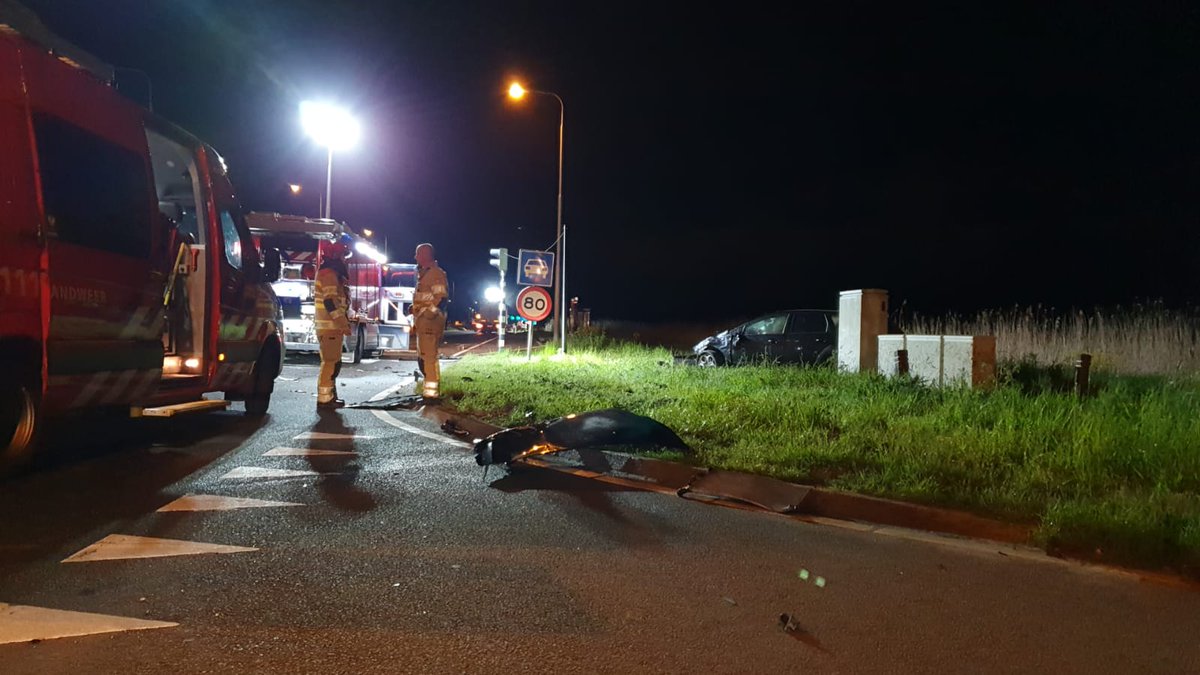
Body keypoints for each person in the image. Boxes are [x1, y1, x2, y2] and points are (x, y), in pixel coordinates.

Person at [315, 235, 353, 408]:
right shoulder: (329, 275)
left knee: (332, 363)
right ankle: (325, 398)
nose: (345, 260)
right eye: (343, 256)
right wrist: (342, 323)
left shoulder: (330, 274)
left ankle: (329, 396)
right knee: (331, 363)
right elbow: (330, 302)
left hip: (330, 328)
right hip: (330, 328)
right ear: (337, 256)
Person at [411, 243, 449, 399]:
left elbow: (441, 297)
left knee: (429, 358)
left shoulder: (435, 273)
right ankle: (429, 391)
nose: (415, 257)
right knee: (425, 357)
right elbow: (427, 298)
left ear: (425, 256)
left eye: (417, 254)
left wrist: (428, 314)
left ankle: (431, 394)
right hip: (423, 323)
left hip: (430, 323)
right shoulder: (425, 274)